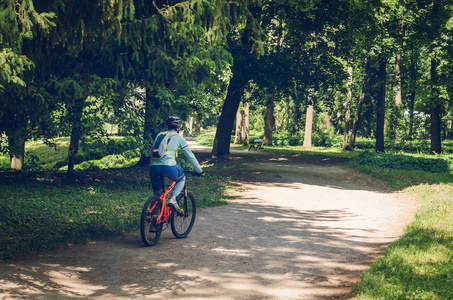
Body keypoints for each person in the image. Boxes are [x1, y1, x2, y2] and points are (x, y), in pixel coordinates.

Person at [149, 116, 204, 212]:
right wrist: (199, 170)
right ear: (178, 127)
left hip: (153, 167)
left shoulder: (159, 135)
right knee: (181, 178)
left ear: (167, 126)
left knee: (158, 194)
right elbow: (190, 156)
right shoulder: (178, 138)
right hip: (169, 167)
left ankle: (153, 218)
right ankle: (173, 199)